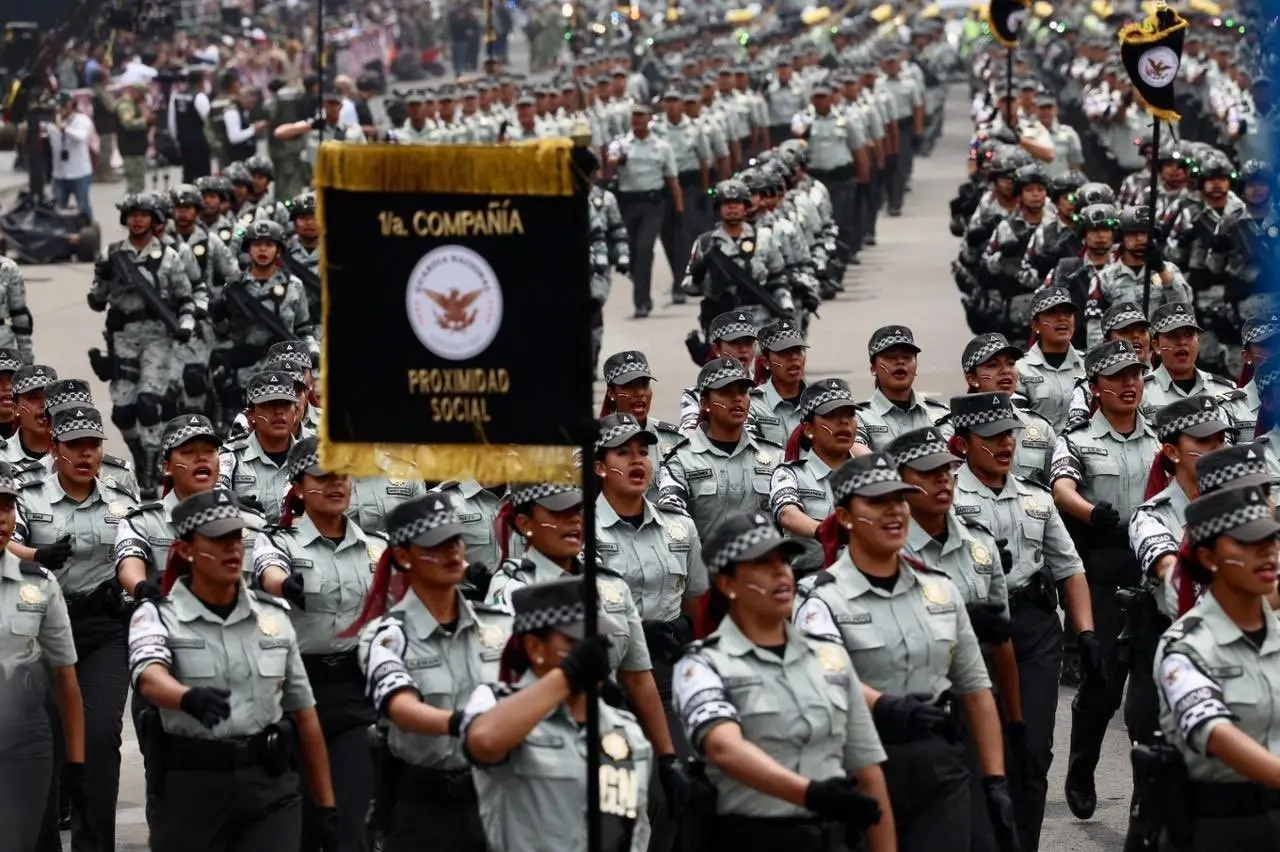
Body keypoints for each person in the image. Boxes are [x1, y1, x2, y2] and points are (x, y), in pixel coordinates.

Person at [794, 453, 1017, 852]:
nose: (894, 512)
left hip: (937, 763)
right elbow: (827, 674)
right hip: (856, 763)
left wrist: (995, 780)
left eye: (899, 500)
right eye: (877, 502)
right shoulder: (819, 598)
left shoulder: (941, 590)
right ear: (844, 517)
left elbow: (977, 690)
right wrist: (885, 707)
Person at [126, 488, 339, 852]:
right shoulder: (157, 616)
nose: (232, 549)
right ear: (185, 549)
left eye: (236, 537)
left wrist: (326, 805)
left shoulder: (273, 617)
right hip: (191, 789)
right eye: (217, 539)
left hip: (270, 787)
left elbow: (305, 716)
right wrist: (187, 697)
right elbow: (149, 676)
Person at [671, 511, 894, 852]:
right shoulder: (702, 665)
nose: (780, 572)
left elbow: (867, 770)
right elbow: (723, 747)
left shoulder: (828, 659)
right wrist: (810, 793)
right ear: (726, 583)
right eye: (762, 563)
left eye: (785, 561)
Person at [948, 390, 1095, 851]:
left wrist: (1086, 633)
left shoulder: (1037, 497)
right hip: (971, 632)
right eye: (992, 436)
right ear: (964, 443)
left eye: (1009, 433)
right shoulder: (945, 495)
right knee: (978, 755)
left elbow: (1069, 568)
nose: (1006, 444)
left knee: (1033, 752)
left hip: (1033, 630)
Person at [349, 493, 513, 851]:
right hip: (425, 809)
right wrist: (461, 723)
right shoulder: (387, 635)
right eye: (436, 545)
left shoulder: (499, 627)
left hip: (496, 798)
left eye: (455, 540)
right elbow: (399, 706)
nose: (453, 552)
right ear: (405, 557)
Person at [8, 405, 139, 852]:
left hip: (103, 629)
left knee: (101, 736)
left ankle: (94, 845)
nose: (86, 454)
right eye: (75, 445)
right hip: (39, 630)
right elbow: (5, 538)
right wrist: (34, 556)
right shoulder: (28, 494)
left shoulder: (122, 501)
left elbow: (139, 551)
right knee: (44, 740)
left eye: (93, 445)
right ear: (55, 448)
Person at [252, 438, 381, 852]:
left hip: (355, 693)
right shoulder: (279, 541)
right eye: (322, 477)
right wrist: (284, 584)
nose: (335, 484)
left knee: (352, 825)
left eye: (342, 475)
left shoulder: (376, 548)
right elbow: (268, 570)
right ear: (298, 485)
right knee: (302, 826)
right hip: (295, 694)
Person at [1051, 340, 1160, 829]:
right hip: (1106, 568)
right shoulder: (1078, 440)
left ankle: (1149, 792)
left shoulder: (1160, 439)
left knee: (1152, 689)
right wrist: (1091, 512)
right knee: (1102, 685)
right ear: (1095, 387)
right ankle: (1081, 768)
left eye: (1135, 374)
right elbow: (1062, 487)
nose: (1129, 384)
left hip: (1154, 571)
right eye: (1115, 377)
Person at [461, 576, 654, 851]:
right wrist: (567, 676)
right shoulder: (496, 705)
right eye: (574, 641)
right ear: (535, 648)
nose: (591, 651)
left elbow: (635, 834)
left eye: (595, 639)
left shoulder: (625, 730)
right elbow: (483, 741)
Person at [1154, 483, 1280, 851]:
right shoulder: (1185, 647)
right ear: (1210, 558)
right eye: (1246, 543)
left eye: (1271, 540)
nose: (1267, 553)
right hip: (1219, 828)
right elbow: (1212, 730)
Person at [592, 412, 705, 753]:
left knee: (680, 768)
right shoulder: (580, 531)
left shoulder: (680, 528)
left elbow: (697, 600)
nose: (637, 460)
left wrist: (683, 634)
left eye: (642, 451)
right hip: (607, 676)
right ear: (600, 467)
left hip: (666, 672)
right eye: (623, 453)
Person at [0, 459, 87, 852]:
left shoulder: (39, 585)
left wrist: (77, 763)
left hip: (24, 743)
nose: (2, 517)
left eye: (6, 506)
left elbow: (66, 678)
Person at [87, 193, 198, 496]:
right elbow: (96, 301)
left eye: (144, 214)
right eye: (132, 214)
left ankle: (151, 466)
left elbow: (186, 298)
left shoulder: (168, 256)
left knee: (149, 405)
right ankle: (137, 449)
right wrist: (102, 278)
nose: (137, 219)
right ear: (125, 219)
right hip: (123, 339)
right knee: (123, 412)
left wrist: (186, 325)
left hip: (158, 339)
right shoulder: (113, 255)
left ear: (154, 219)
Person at [658, 357, 782, 539]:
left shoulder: (775, 456)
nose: (737, 398)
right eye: (726, 392)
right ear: (704, 403)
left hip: (763, 564)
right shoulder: (681, 460)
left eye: (742, 391)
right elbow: (672, 521)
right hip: (710, 565)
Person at [770, 378, 868, 577]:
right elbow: (787, 513)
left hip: (864, 578)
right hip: (809, 580)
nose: (844, 422)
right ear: (808, 429)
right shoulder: (790, 473)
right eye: (831, 415)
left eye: (849, 415)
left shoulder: (869, 475)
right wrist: (825, 531)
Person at [608, 104, 681, 318]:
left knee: (644, 249)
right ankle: (638, 278)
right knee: (629, 252)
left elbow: (672, 179)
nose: (637, 119)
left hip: (653, 204)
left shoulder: (662, 146)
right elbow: (610, 159)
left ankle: (642, 301)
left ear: (649, 118)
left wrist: (679, 208)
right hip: (628, 204)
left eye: (641, 116)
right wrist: (617, 160)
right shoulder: (620, 143)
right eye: (634, 116)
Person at [855, 325, 951, 451]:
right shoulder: (859, 416)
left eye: (907, 357)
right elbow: (857, 452)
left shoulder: (941, 413)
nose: (900, 361)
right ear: (873, 368)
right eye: (890, 357)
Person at [46, 93, 95, 223]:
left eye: (61, 107)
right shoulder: (51, 123)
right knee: (57, 207)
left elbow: (82, 137)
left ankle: (89, 233)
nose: (59, 110)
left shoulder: (81, 120)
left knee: (83, 206)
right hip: (59, 174)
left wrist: (65, 129)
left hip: (79, 172)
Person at [115, 83, 153, 193]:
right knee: (135, 184)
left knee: (138, 183)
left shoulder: (132, 104)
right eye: (142, 95)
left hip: (136, 148)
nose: (143, 99)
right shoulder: (126, 106)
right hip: (131, 149)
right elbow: (129, 124)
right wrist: (145, 120)